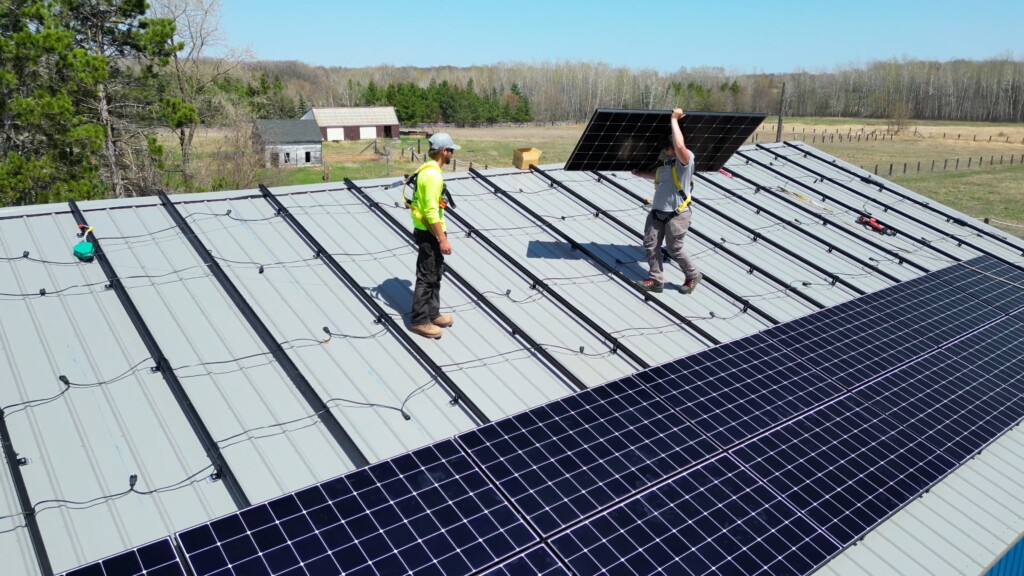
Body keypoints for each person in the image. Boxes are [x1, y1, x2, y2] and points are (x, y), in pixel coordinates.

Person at [633, 108, 702, 294]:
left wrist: (674, 119)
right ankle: (656, 280)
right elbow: (659, 177)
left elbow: (679, 146)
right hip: (657, 212)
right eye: (664, 147)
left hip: (677, 215)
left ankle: (693, 275)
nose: (666, 150)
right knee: (651, 245)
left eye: (668, 147)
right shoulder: (665, 162)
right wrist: (641, 174)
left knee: (674, 249)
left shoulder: (686, 161)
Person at [409, 133, 459, 339]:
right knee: (427, 277)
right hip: (429, 232)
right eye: (451, 151)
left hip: (431, 231)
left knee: (436, 273)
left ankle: (433, 313)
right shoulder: (432, 175)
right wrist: (442, 239)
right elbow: (430, 211)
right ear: (444, 151)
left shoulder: (428, 169)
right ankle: (420, 321)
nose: (452, 154)